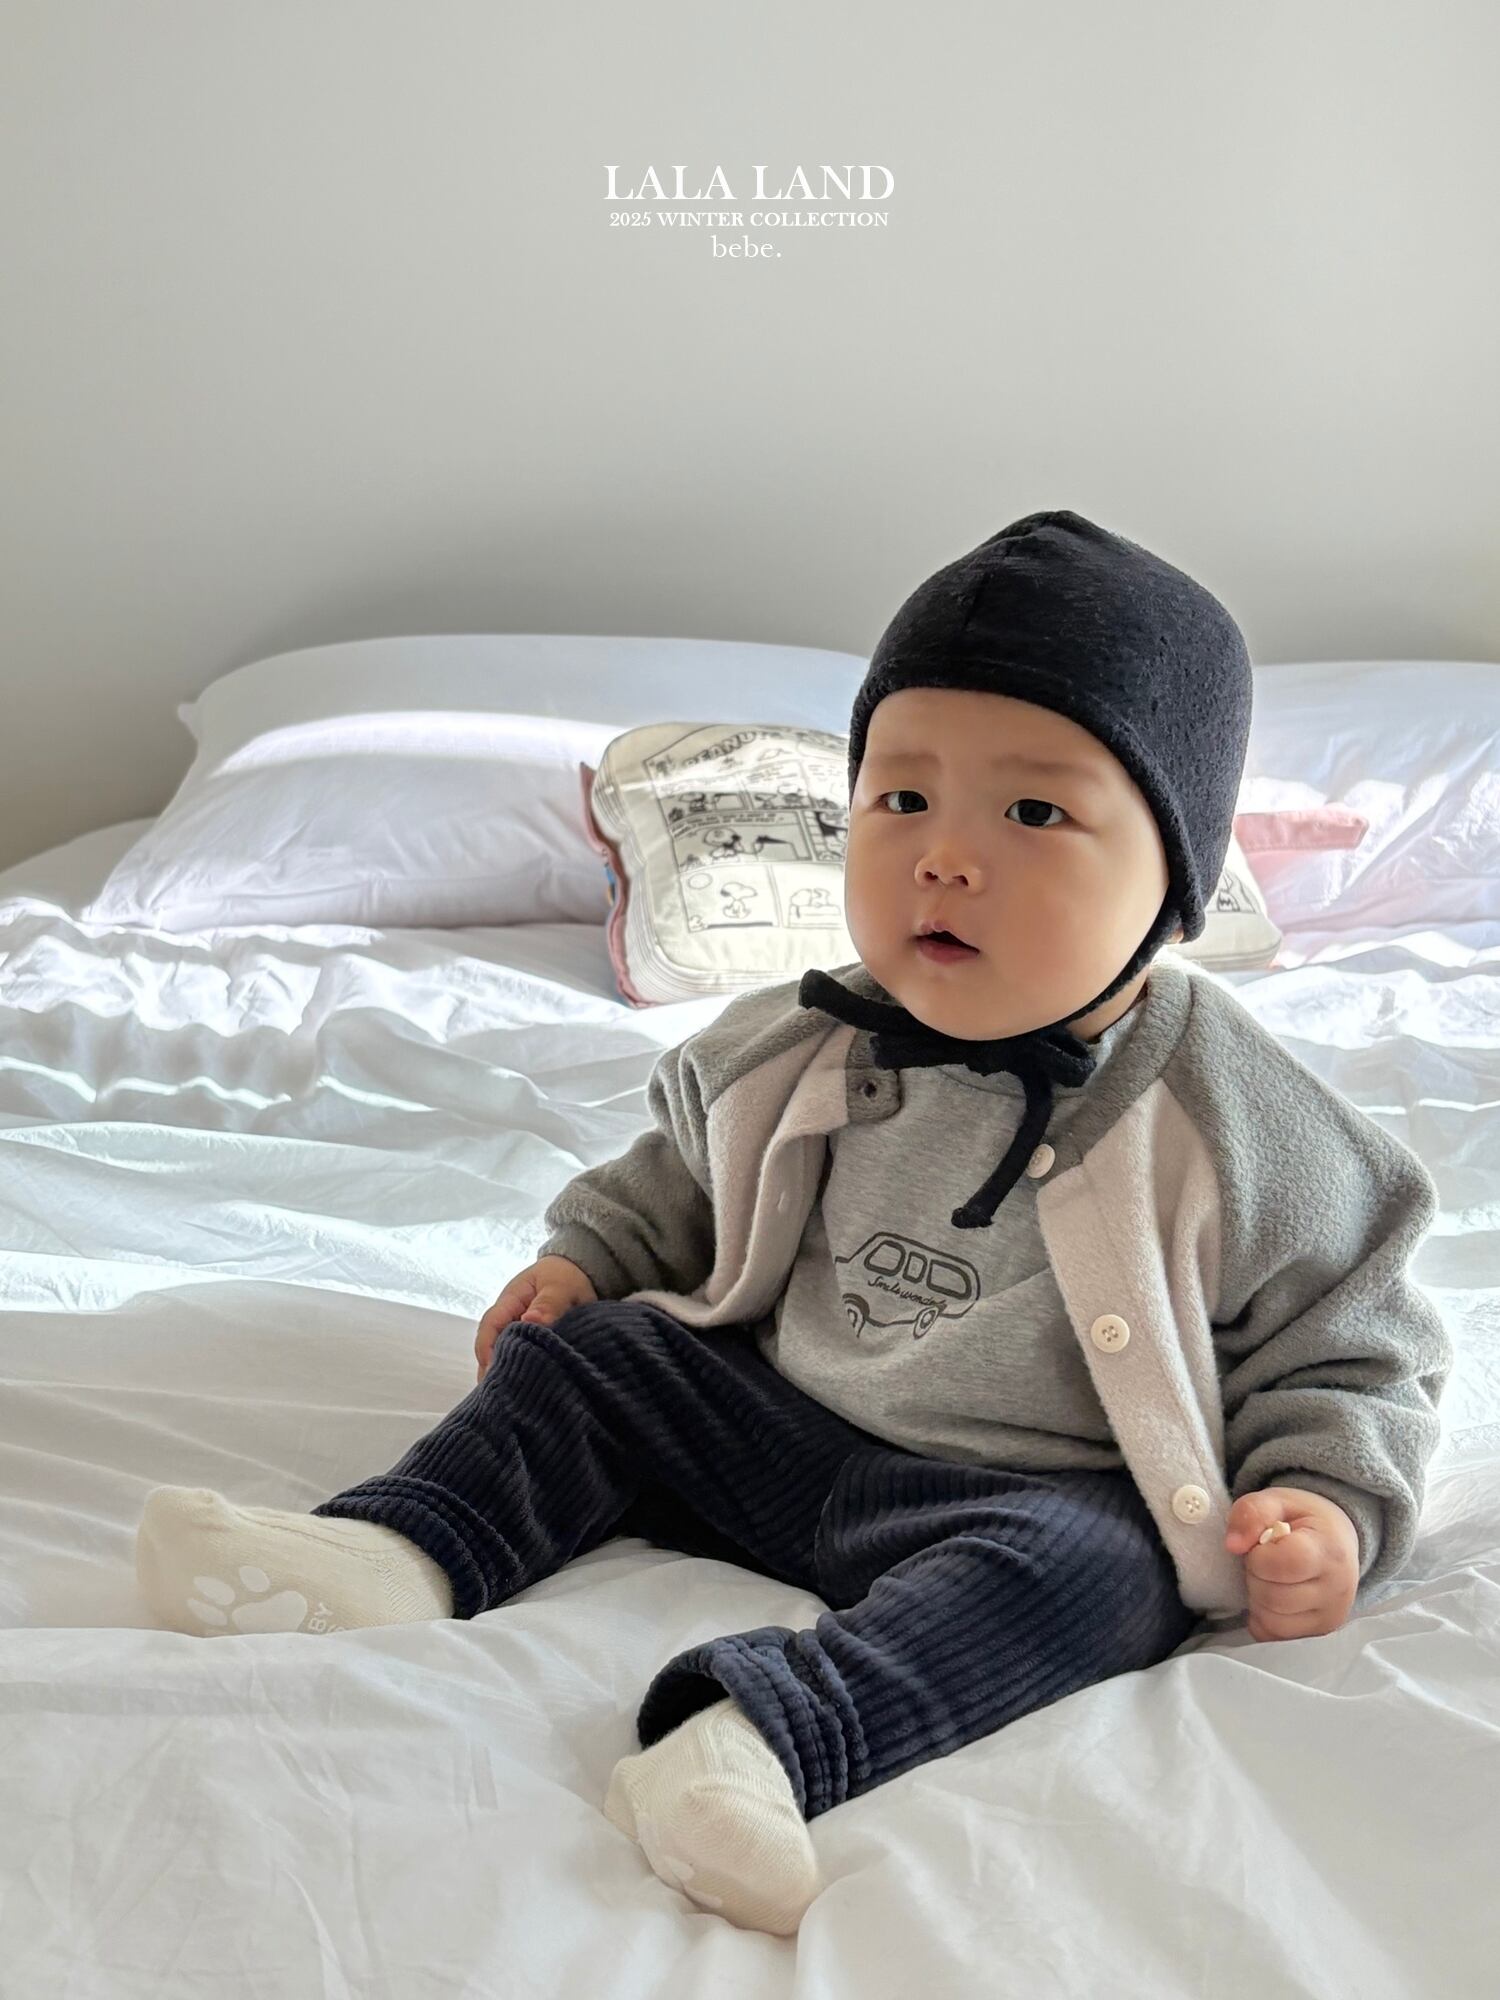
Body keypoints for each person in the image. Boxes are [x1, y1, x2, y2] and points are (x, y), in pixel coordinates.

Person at [135, 509, 1451, 1937]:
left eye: (1032, 814)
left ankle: (756, 1745)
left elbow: (1352, 1340)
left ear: (1176, 883)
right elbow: (677, 1174)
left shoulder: (1240, 1119)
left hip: (1013, 1498)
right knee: (605, 1357)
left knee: (1112, 1574)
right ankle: (402, 1550)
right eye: (902, 801)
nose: (945, 858)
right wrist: (587, 1260)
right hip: (774, 1429)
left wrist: (1324, 1500)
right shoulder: (802, 1039)